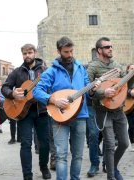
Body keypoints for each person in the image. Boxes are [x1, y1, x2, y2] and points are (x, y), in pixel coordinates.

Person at [33, 36, 93, 180]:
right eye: (66, 52)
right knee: (61, 155)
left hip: (80, 115)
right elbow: (37, 91)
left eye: (71, 51)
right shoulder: (51, 71)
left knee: (78, 155)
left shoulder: (80, 68)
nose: (70, 55)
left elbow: (88, 89)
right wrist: (53, 100)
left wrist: (93, 89)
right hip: (59, 117)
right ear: (59, 51)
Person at [1, 43, 51, 180]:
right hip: (24, 113)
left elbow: (52, 86)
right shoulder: (17, 72)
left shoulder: (45, 70)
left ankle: (44, 167)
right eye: (24, 53)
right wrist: (12, 94)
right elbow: (4, 87)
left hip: (42, 111)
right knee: (26, 143)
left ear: (35, 52)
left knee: (45, 143)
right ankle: (27, 175)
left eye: (29, 53)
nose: (27, 55)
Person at [88, 37, 134, 180]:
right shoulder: (93, 67)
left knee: (125, 143)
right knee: (109, 144)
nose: (110, 49)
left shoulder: (117, 65)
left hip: (118, 109)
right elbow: (88, 91)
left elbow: (125, 85)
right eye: (107, 47)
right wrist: (103, 92)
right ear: (99, 50)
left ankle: (112, 166)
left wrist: (133, 75)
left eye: (111, 46)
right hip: (103, 110)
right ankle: (111, 176)